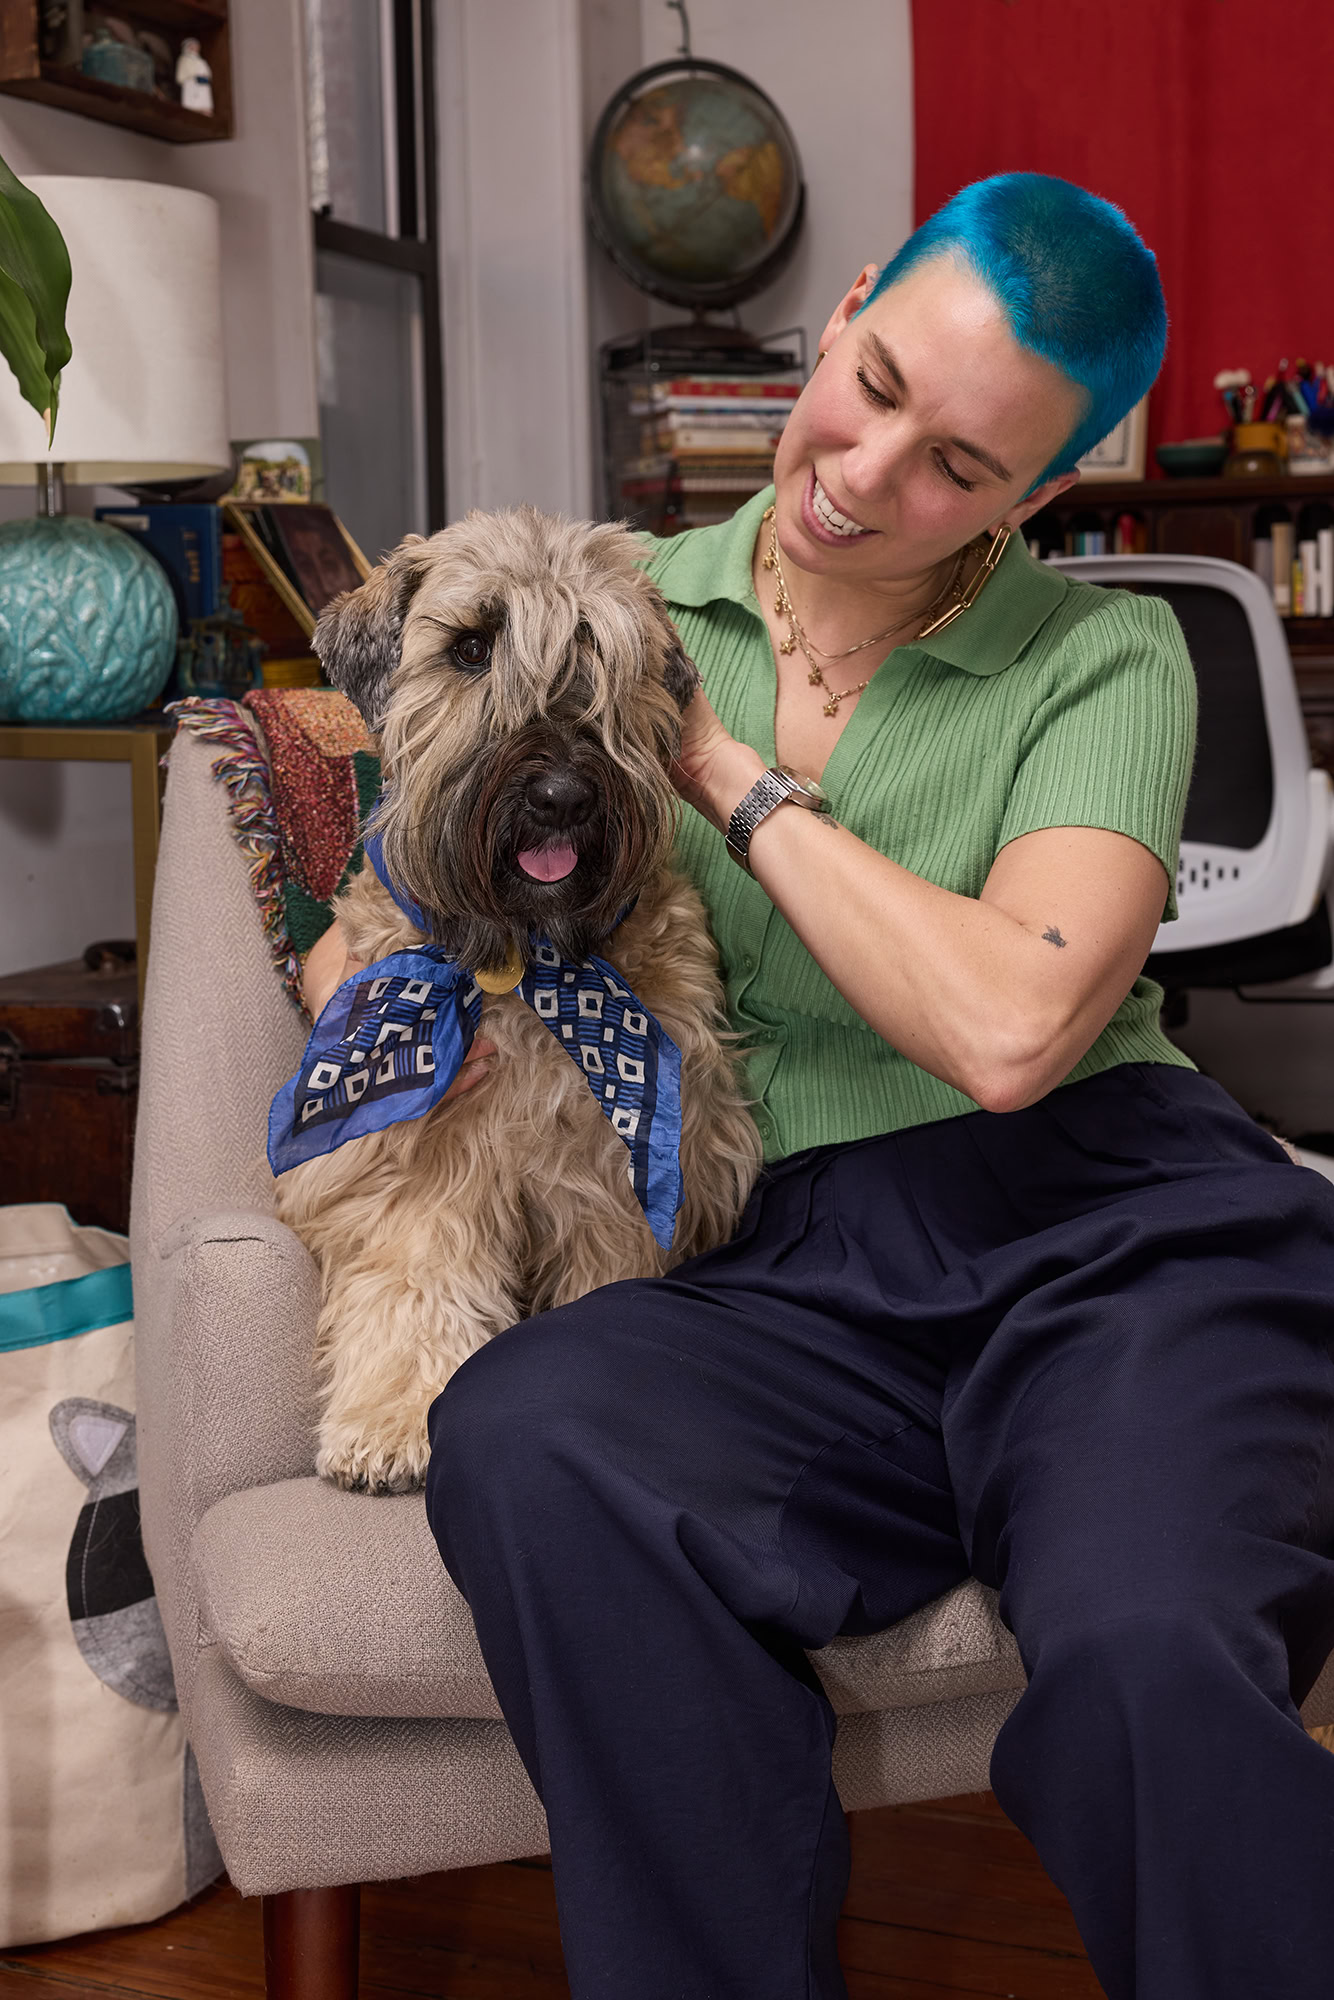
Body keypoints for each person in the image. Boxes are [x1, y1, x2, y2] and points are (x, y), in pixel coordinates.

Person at [314, 174, 1334, 1999]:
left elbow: (1017, 1030)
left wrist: (717, 769)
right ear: (848, 305)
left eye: (957, 465)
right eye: (868, 384)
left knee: (1146, 1642)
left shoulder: (1104, 656)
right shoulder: (598, 613)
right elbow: (400, 904)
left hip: (1107, 1231)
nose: (864, 475)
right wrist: (365, 964)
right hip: (778, 1270)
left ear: (1045, 495)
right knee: (536, 1437)